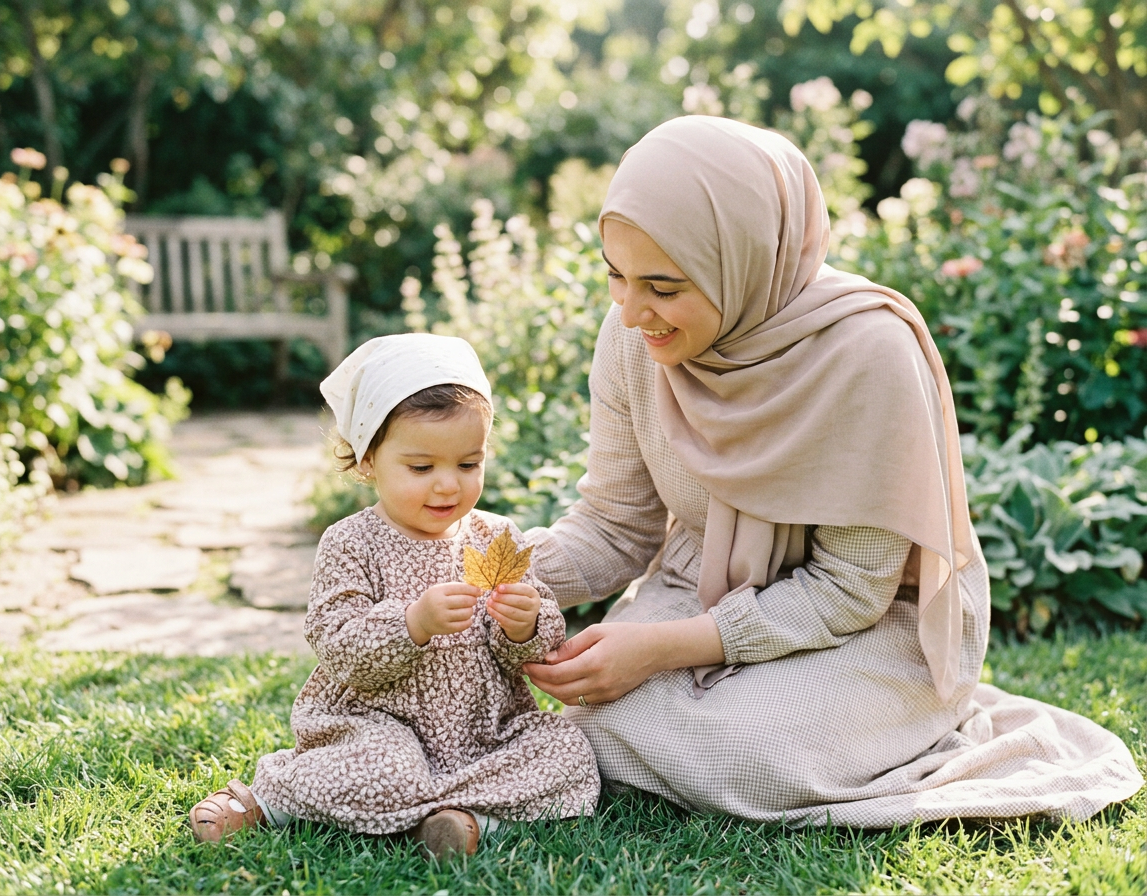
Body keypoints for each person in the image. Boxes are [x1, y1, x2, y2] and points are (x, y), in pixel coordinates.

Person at [523, 116, 1143, 825]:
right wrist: (501, 572)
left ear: (746, 260)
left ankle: (908, 720)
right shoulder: (634, 339)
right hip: (701, 586)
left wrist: (661, 647)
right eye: (615, 276)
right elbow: (613, 525)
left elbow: (849, 591)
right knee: (604, 714)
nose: (632, 311)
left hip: (867, 623)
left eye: (663, 286)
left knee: (744, 748)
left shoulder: (868, 355)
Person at [189, 333, 599, 856]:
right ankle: (270, 799)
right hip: (379, 727)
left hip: (483, 732)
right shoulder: (350, 542)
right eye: (422, 468)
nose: (448, 486)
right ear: (367, 460)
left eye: (468, 465)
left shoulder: (496, 536)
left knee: (568, 751)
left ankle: (459, 821)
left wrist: (524, 625)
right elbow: (338, 647)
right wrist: (412, 624)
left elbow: (529, 646)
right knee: (385, 769)